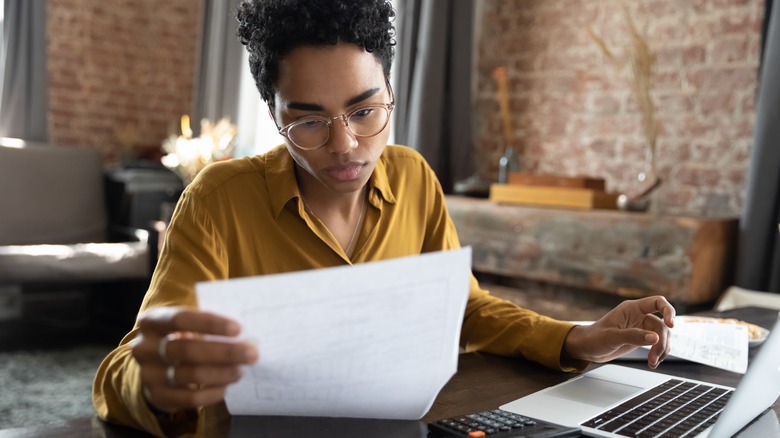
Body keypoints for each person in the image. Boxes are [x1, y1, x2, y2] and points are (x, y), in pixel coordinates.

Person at [92, 0, 676, 436]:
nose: (346, 145)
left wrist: (577, 339)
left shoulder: (415, 178)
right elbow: (126, 365)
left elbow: (464, 309)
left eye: (365, 110)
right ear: (274, 118)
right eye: (309, 121)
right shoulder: (218, 200)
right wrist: (157, 385)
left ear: (391, 92)